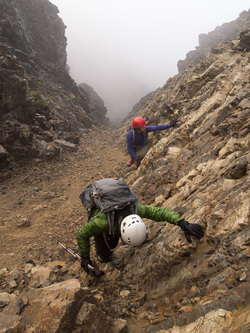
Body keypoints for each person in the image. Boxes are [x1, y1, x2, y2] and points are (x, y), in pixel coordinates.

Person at [77, 203, 204, 277]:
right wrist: (85, 257)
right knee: (105, 253)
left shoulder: (135, 210)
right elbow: (82, 234)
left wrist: (182, 223)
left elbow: (159, 212)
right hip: (104, 217)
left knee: (115, 241)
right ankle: (103, 254)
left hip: (118, 222)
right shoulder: (101, 223)